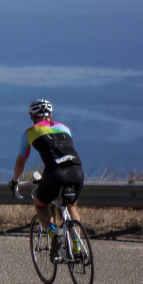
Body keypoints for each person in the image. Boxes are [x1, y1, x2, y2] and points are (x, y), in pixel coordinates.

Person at [8, 99, 85, 254]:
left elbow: (20, 162)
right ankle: (77, 244)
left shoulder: (30, 132)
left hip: (55, 174)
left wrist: (15, 181)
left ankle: (53, 234)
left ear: (33, 117)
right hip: (77, 171)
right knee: (71, 206)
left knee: (41, 205)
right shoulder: (64, 128)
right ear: (50, 114)